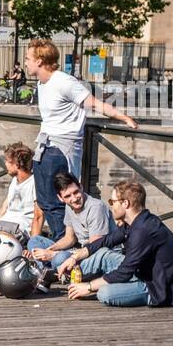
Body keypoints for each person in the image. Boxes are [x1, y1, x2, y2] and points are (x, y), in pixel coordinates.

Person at [25, 38, 139, 239]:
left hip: (61, 148)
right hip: (44, 145)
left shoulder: (64, 82)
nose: (25, 62)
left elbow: (95, 104)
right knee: (43, 201)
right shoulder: (42, 84)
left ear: (40, 61)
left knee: (57, 200)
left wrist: (124, 117)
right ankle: (60, 240)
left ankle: (66, 241)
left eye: (28, 58)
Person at [63, 180, 173, 307]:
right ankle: (69, 273)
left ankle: (82, 282)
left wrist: (89, 287)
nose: (110, 206)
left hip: (156, 287)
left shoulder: (143, 230)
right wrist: (76, 256)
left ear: (125, 203)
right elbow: (107, 240)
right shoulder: (135, 222)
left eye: (112, 202)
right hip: (142, 271)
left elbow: (124, 272)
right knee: (103, 254)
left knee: (105, 293)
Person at [26, 171, 114, 279]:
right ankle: (45, 273)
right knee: (34, 241)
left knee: (60, 258)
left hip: (95, 254)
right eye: (67, 196)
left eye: (76, 192)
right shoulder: (69, 206)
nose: (74, 198)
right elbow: (69, 238)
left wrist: (53, 255)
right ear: (60, 198)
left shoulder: (96, 207)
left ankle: (50, 273)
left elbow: (95, 246)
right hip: (80, 251)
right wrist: (50, 249)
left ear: (81, 187)